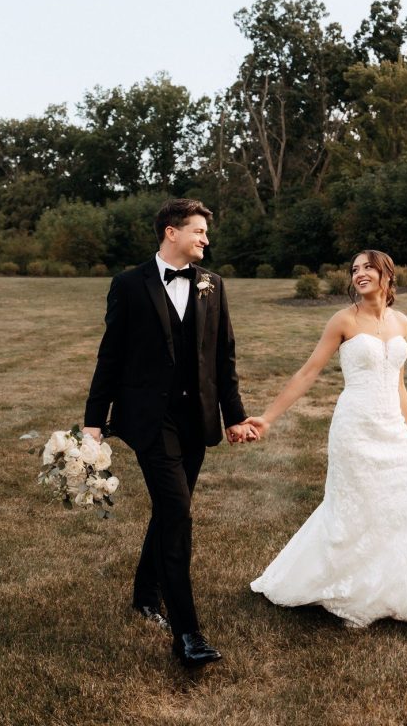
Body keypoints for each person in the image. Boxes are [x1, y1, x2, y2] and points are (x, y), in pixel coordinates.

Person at [246, 249, 407, 643]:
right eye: (355, 269)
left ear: (387, 274)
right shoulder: (343, 320)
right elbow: (308, 372)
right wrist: (268, 418)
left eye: (368, 267)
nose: (359, 274)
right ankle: (352, 594)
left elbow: (399, 384)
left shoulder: (401, 322)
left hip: (393, 431)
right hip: (354, 430)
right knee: (352, 514)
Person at [82, 198, 256, 669]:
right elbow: (110, 356)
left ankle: (145, 594)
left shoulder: (212, 285)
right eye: (199, 231)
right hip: (149, 420)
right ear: (171, 232)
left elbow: (223, 357)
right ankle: (187, 634)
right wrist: (94, 420)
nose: (205, 239)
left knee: (169, 510)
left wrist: (234, 416)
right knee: (177, 512)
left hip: (195, 420)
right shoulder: (129, 284)